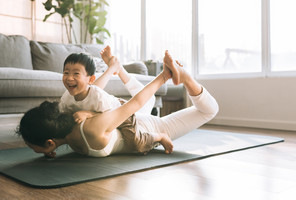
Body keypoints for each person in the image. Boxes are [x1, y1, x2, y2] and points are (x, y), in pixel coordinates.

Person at [16, 50, 219, 157]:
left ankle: (186, 78)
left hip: (146, 127)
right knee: (140, 105)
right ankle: (118, 69)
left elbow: (134, 104)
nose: (34, 151)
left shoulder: (91, 130)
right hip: (125, 119)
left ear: (50, 142)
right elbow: (91, 92)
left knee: (209, 110)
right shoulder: (69, 114)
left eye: (35, 148)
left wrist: (164, 76)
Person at [59, 46, 155, 125]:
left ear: (91, 79)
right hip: (108, 103)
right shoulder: (66, 97)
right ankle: (114, 67)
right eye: (66, 73)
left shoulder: (98, 96)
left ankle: (117, 67)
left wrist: (89, 114)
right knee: (91, 90)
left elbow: (112, 115)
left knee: (149, 99)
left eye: (76, 73)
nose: (69, 78)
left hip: (126, 114)